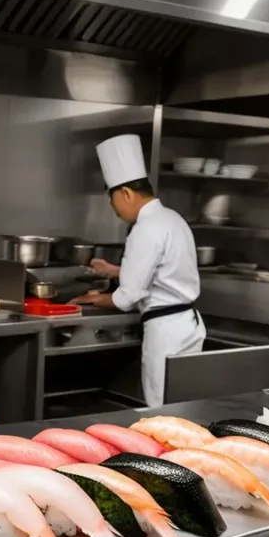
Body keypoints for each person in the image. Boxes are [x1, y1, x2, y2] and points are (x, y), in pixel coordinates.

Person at [71, 134, 205, 407]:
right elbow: (165, 272)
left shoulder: (144, 229)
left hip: (165, 333)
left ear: (126, 194)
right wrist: (115, 270)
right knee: (183, 408)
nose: (114, 209)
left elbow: (127, 298)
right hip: (188, 325)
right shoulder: (172, 219)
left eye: (112, 201)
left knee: (160, 411)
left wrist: (92, 298)